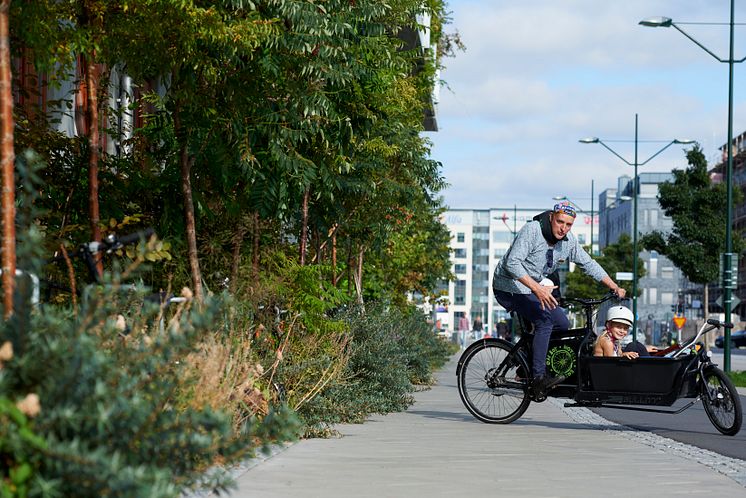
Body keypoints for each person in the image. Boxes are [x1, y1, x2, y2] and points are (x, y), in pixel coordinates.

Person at [492, 202, 626, 399]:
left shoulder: (568, 242)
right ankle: (538, 378)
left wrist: (613, 286)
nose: (563, 228)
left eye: (569, 224)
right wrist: (538, 288)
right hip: (508, 286)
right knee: (544, 320)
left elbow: (588, 263)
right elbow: (512, 263)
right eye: (560, 222)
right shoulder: (532, 230)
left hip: (531, 288)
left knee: (562, 324)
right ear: (551, 218)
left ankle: (527, 362)